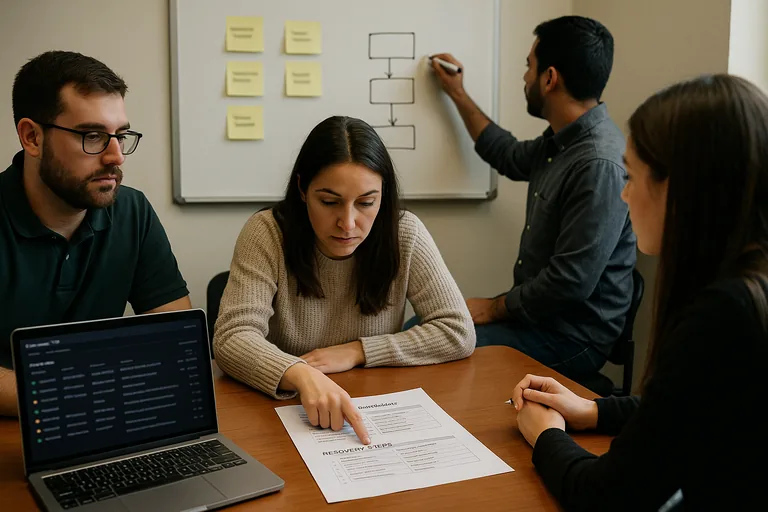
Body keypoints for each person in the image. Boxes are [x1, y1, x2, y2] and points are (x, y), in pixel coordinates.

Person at [512, 74, 768, 510]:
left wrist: (545, 434)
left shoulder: (722, 314)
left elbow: (607, 497)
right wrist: (592, 411)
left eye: (631, 176)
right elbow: (685, 409)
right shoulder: (750, 285)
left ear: (683, 187)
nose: (625, 195)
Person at [214, 116, 475, 444]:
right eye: (329, 202)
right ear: (302, 189)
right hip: (283, 412)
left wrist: (357, 351)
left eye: (366, 203)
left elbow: (457, 331)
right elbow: (231, 337)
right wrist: (300, 374)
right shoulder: (267, 232)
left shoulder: (403, 232)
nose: (348, 223)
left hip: (371, 407)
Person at [429, 16, 636, 382]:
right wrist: (457, 94)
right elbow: (507, 154)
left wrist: (492, 308)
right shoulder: (562, 142)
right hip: (539, 320)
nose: (525, 77)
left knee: (432, 342)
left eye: (529, 66)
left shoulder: (599, 164)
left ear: (549, 78)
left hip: (573, 338)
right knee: (426, 328)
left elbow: (570, 281)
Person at [0, 51, 191, 416]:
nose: (116, 157)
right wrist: (88, 389)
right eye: (92, 136)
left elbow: (175, 340)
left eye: (120, 135)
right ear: (32, 137)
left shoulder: (132, 211)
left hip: (106, 421)